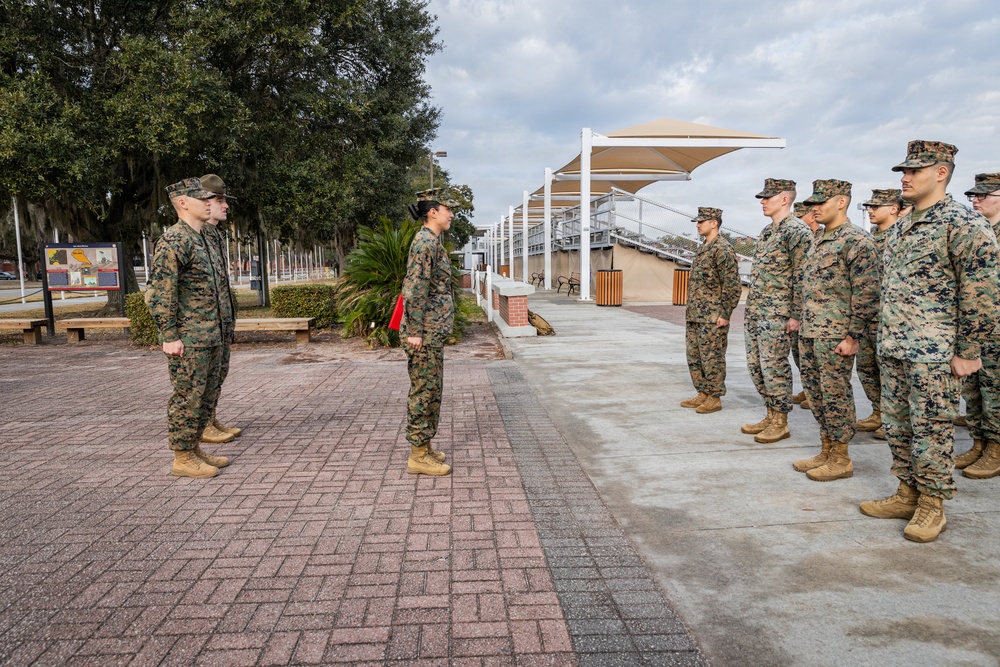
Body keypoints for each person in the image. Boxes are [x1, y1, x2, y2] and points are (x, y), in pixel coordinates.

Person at [860, 141, 1000, 543]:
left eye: (914, 171)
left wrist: (969, 350)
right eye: (903, 171)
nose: (904, 178)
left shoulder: (962, 223)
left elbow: (981, 292)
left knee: (933, 430)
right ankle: (907, 492)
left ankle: (931, 505)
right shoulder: (903, 224)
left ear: (941, 172)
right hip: (895, 346)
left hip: (934, 352)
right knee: (898, 426)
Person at [792, 180, 879, 480]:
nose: (814, 208)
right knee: (815, 394)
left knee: (835, 395)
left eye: (821, 203)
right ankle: (827, 448)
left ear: (841, 202)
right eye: (812, 204)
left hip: (836, 335)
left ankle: (841, 457)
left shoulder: (857, 241)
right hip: (811, 331)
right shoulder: (818, 238)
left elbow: (867, 292)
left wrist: (853, 335)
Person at [146, 177, 230, 478]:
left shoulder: (199, 237)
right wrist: (169, 335)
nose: (211, 204)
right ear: (183, 202)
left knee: (205, 396)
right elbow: (159, 292)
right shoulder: (174, 240)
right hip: (191, 337)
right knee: (188, 397)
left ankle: (193, 448)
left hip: (211, 334)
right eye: (203, 199)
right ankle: (182, 457)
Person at [742, 179, 813, 443]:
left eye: (767, 197)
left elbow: (802, 276)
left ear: (785, 199)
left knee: (774, 367)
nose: (762, 201)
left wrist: (795, 314)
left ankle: (781, 420)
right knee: (756, 366)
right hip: (757, 311)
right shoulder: (766, 232)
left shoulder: (798, 232)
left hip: (778, 314)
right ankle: (770, 413)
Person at [402, 188, 458, 476]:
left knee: (432, 389)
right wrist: (414, 331)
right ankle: (417, 455)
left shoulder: (432, 242)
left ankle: (424, 446)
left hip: (431, 330)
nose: (451, 214)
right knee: (424, 390)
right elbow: (413, 290)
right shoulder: (425, 243)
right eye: (448, 209)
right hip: (422, 331)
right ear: (433, 212)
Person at [957, 172, 1000, 478]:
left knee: (994, 389)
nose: (975, 201)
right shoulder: (974, 231)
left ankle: (996, 448)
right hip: (972, 326)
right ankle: (978, 441)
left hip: (997, 326)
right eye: (973, 196)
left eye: (983, 196)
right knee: (972, 388)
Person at [680, 208, 742, 414]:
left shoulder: (722, 249)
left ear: (714, 223)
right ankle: (703, 393)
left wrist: (725, 314)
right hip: (696, 315)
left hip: (713, 317)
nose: (698, 225)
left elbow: (732, 285)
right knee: (695, 356)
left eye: (702, 221)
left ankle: (714, 397)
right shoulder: (704, 247)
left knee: (712, 358)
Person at [856, 189, 905, 440]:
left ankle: (893, 418)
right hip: (867, 317)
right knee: (865, 366)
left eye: (877, 206)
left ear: (894, 208)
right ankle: (878, 411)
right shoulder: (869, 238)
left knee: (890, 372)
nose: (871, 210)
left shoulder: (902, 236)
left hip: (891, 320)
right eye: (869, 206)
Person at [199, 174, 241, 443]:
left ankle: (210, 419)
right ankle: (202, 425)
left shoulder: (213, 234)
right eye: (219, 200)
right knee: (202, 380)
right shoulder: (193, 235)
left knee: (217, 374)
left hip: (220, 323)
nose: (225, 206)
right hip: (201, 327)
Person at [791, 201, 819, 409]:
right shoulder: (800, 239)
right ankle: (808, 387)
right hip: (799, 307)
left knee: (814, 356)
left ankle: (815, 392)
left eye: (800, 217)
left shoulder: (818, 239)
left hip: (815, 311)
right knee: (800, 353)